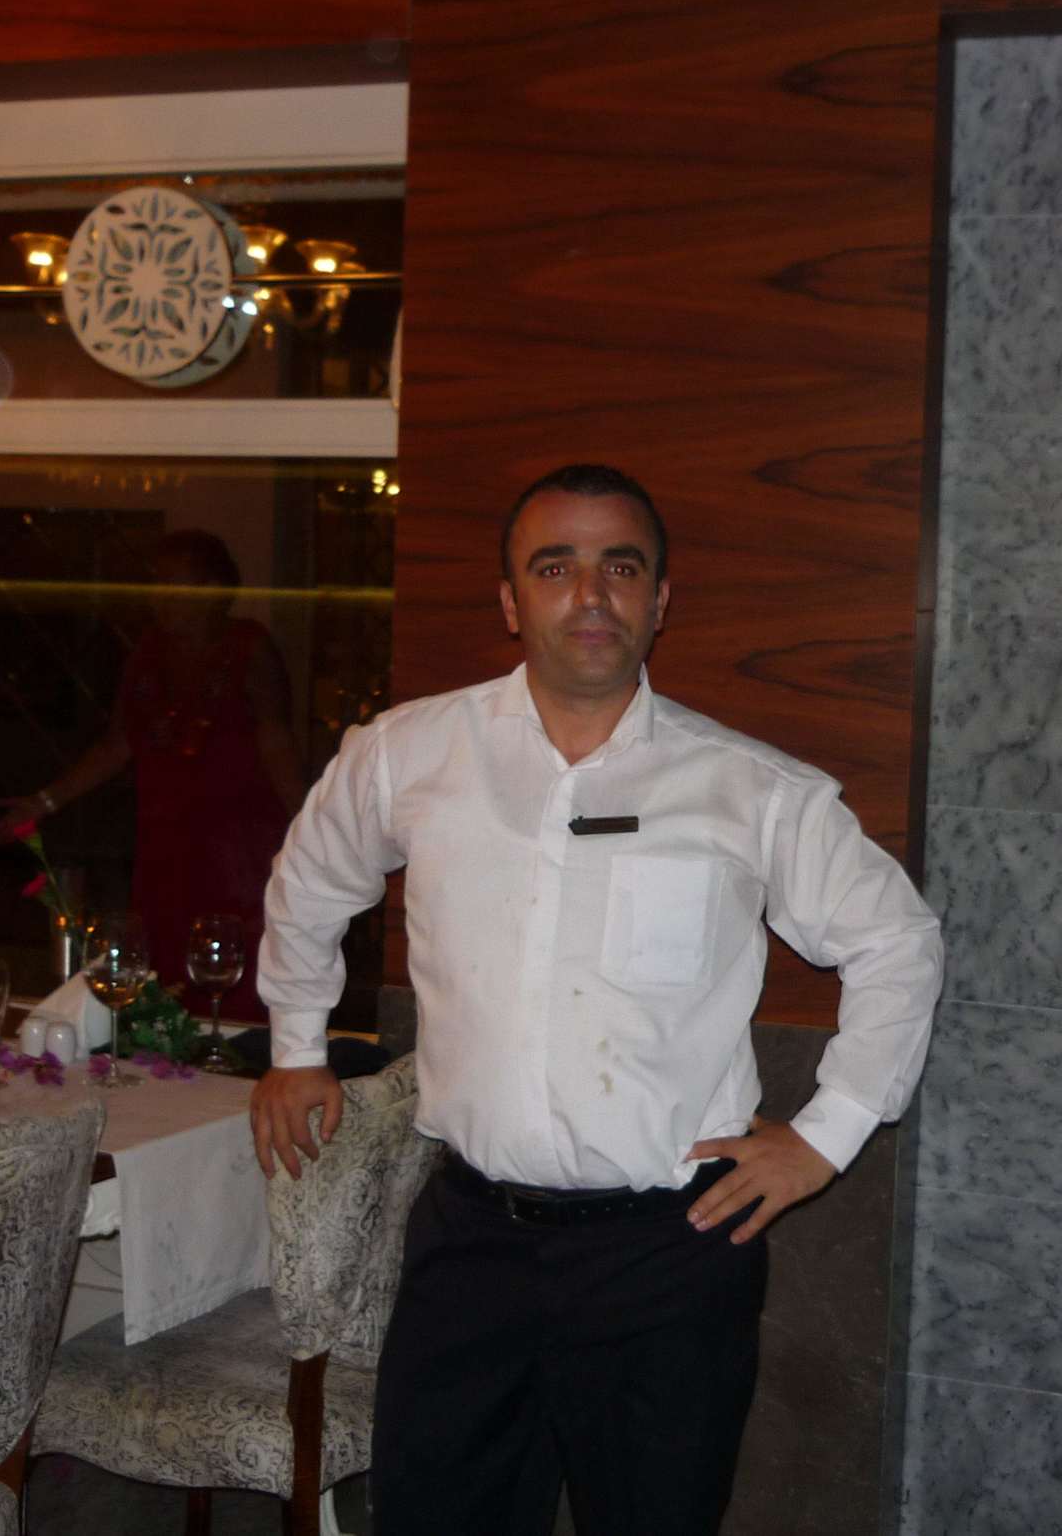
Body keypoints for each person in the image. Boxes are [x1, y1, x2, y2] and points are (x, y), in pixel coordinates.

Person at [249, 464, 942, 1535]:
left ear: (659, 601)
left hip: (669, 1256)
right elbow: (311, 879)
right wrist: (296, 1045)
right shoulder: (408, 753)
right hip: (470, 1247)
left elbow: (897, 939)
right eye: (554, 567)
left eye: (620, 569)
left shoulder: (749, 789)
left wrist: (828, 1134)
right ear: (509, 601)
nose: (589, 596)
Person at [0, 530, 305, 1018]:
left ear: (214, 591)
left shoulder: (248, 649)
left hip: (236, 850)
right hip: (165, 846)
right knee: (161, 964)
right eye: (157, 584)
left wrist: (310, 827)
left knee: (233, 963)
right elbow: (118, 744)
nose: (160, 597)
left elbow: (276, 742)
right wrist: (44, 802)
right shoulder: (148, 653)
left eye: (175, 584)